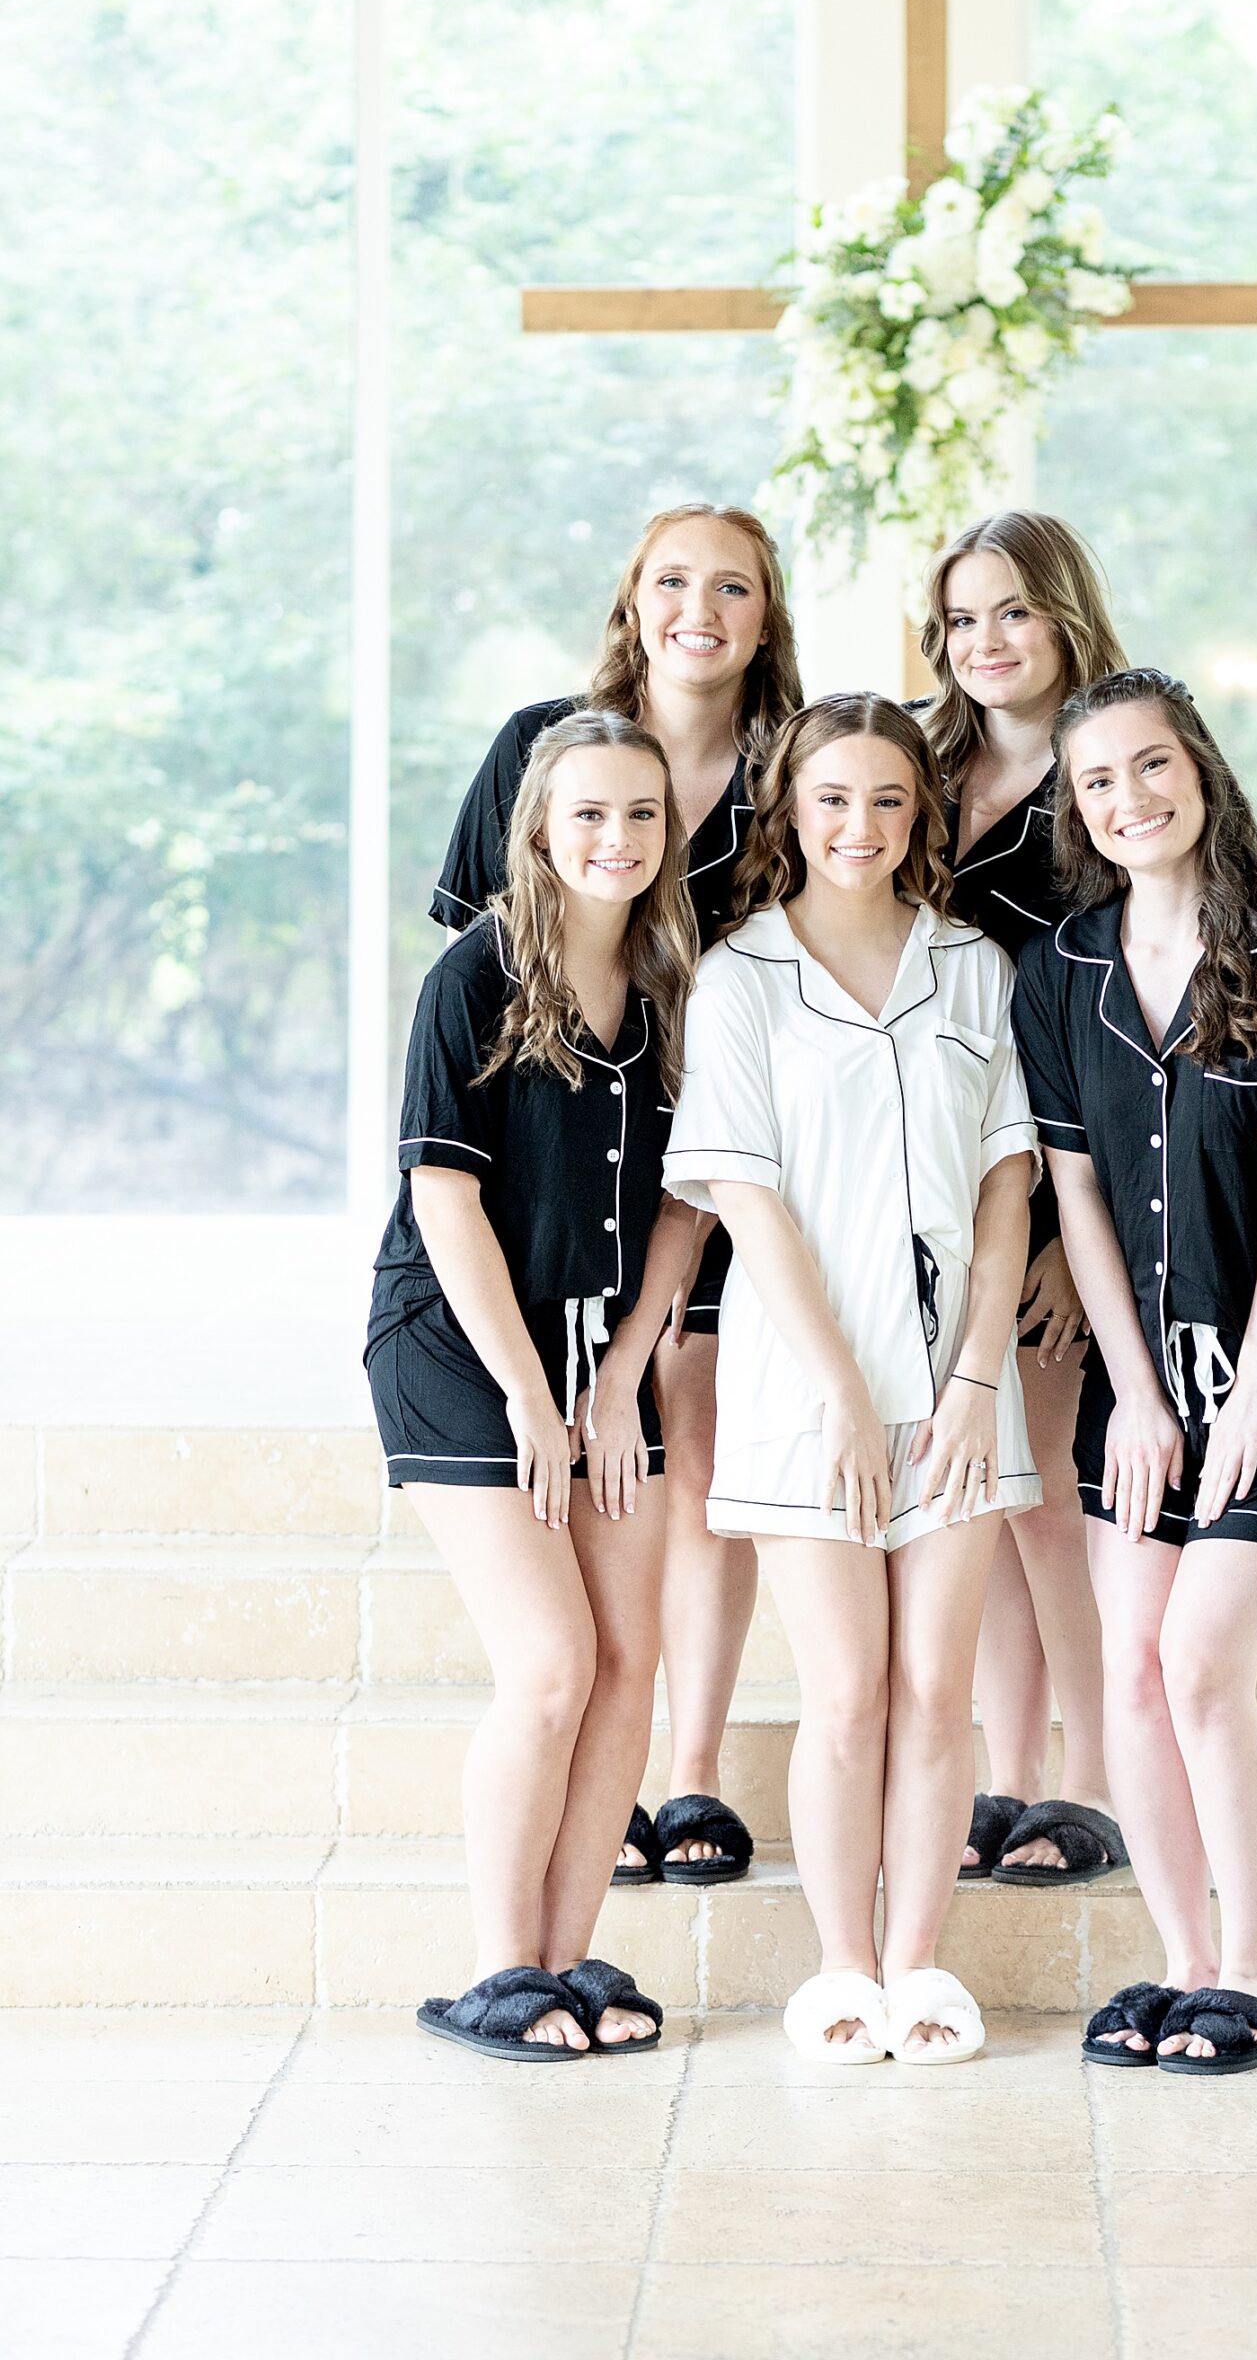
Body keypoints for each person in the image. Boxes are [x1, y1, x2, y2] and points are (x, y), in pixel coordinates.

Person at [1012, 668, 1257, 2075]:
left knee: (1197, 1665)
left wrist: (1247, 1401)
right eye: (1098, 782)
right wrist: (1142, 1395)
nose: (1128, 800)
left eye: (1151, 768)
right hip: (1142, 1384)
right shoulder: (1063, 972)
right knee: (1127, 1681)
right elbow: (1081, 1197)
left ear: (1203, 773)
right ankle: (1179, 1971)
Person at [662, 695, 1041, 2064]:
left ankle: (922, 1966)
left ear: (920, 816)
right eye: (832, 799)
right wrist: (836, 1392)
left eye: (888, 799)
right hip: (802, 1398)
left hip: (954, 1402)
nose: (860, 825)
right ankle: (839, 1971)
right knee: (848, 1696)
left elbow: (1007, 1189)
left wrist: (979, 1381)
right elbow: (746, 1201)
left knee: (942, 1696)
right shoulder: (742, 978)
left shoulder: (977, 970)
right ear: (790, 812)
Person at [433, 503, 804, 1885]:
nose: (699, 609)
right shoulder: (548, 748)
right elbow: (485, 972)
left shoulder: (790, 778)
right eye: (671, 582)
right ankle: (598, 1778)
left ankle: (689, 1775)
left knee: (699, 1468)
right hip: (564, 1180)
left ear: (767, 616)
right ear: (631, 599)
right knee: (625, 1458)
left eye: (734, 588)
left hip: (718, 1165)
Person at [366, 712, 700, 2061]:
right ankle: (497, 1968)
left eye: (640, 814)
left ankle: (563, 1966)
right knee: (554, 1663)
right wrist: (526, 1394)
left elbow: (691, 1202)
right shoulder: (477, 973)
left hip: (604, 1361)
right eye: (587, 817)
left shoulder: (683, 985)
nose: (614, 840)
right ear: (540, 833)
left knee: (631, 1667)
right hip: (465, 1352)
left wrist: (618, 1383)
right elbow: (443, 1199)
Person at [916, 511, 1127, 1889]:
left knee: (1047, 1495)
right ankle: (1008, 1775)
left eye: (1012, 612)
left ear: (1063, 615)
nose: (986, 642)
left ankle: (1094, 1783)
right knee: (982, 1495)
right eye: (962, 619)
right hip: (937, 1174)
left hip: (1056, 1183)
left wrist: (1064, 1233)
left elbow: (1121, 1012)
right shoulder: (920, 769)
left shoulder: (1111, 767)